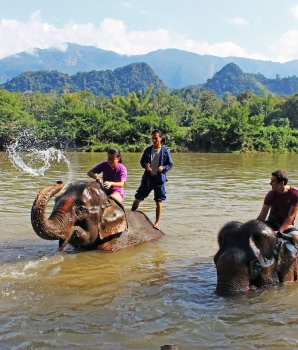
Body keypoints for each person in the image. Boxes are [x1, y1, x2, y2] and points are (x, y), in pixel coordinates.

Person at [131, 129, 173, 229]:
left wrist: (163, 168)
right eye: (153, 138)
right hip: (148, 179)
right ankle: (131, 215)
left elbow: (170, 165)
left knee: (158, 201)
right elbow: (142, 162)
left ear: (161, 138)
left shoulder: (165, 151)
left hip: (159, 180)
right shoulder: (148, 150)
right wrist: (146, 166)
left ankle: (157, 223)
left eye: (156, 138)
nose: (154, 140)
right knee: (138, 198)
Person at [257, 169, 298, 241]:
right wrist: (249, 227)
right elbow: (262, 216)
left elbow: (290, 217)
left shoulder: (295, 194)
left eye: (273, 181)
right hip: (271, 223)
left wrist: (280, 231)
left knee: (296, 238)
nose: (270, 183)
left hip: (287, 225)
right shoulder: (270, 194)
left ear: (281, 183)